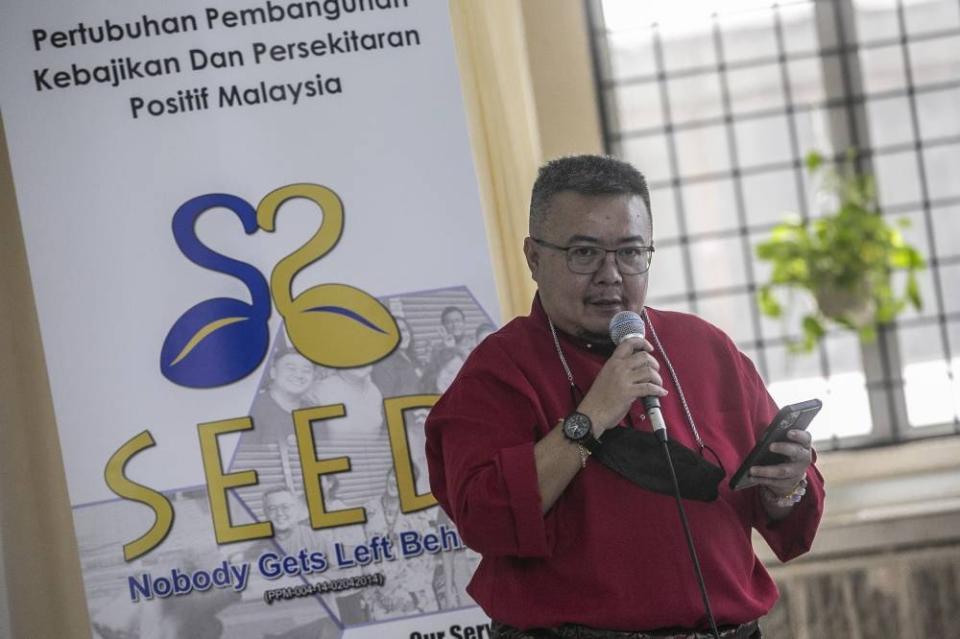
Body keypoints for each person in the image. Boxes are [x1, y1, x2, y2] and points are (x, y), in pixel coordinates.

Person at [425, 155, 824, 638]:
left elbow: (779, 512)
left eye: (631, 252)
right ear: (533, 258)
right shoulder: (498, 371)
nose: (611, 275)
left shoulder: (704, 347)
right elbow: (485, 520)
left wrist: (786, 485)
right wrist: (591, 416)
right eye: (584, 253)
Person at [246, 346, 316, 446]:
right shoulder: (252, 409)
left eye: (306, 370)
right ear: (273, 372)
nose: (299, 375)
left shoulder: (315, 415)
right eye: (291, 368)